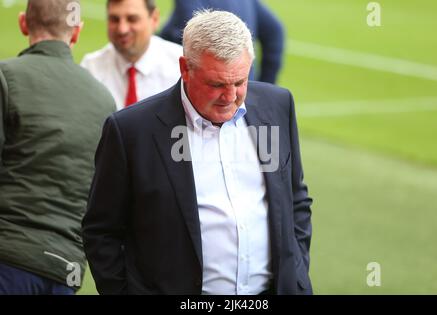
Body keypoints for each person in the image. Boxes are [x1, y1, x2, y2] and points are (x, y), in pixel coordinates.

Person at [82, 10, 312, 295]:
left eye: (240, 82)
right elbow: (101, 230)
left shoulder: (277, 106)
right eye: (217, 84)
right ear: (185, 68)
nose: (230, 96)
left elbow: (296, 199)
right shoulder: (130, 131)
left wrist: (297, 273)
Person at [0, 0, 116, 295]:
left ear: (23, 23)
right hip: (66, 269)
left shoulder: (6, 77)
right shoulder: (105, 100)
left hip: (8, 259)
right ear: (76, 32)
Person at [81, 0, 182, 110]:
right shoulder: (91, 68)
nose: (122, 29)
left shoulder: (180, 67)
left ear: (154, 19)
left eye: (132, 19)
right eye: (114, 19)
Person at [160, 0, 285, 84]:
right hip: (242, 91)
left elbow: (191, 28)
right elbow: (275, 31)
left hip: (211, 94)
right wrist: (263, 87)